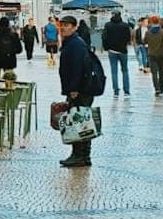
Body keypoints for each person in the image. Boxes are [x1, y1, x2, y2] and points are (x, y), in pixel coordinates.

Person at [57, 15, 101, 168]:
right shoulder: (71, 43)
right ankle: (79, 155)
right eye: (62, 25)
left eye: (67, 25)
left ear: (75, 27)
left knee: (80, 122)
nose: (64, 28)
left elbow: (78, 68)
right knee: (79, 121)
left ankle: (81, 156)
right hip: (78, 89)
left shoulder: (76, 44)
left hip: (80, 90)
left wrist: (74, 88)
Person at [100, 11, 133, 97]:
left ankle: (116, 91)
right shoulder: (125, 25)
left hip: (112, 51)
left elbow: (104, 37)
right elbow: (128, 37)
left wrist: (107, 47)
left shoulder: (108, 25)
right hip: (123, 51)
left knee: (114, 71)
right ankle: (126, 91)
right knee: (125, 70)